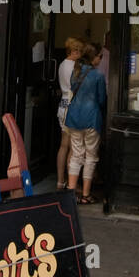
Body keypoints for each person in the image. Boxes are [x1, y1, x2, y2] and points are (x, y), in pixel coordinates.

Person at [65, 43, 107, 204]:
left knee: (76, 155)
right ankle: (86, 195)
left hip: (74, 117)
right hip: (91, 119)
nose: (101, 59)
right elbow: (102, 100)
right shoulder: (98, 76)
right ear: (93, 58)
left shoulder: (75, 72)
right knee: (90, 156)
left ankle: (70, 192)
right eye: (100, 56)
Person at [56, 37, 83, 190]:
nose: (80, 54)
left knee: (63, 146)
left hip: (63, 104)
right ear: (73, 51)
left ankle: (60, 181)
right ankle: (71, 184)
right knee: (73, 148)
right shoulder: (75, 66)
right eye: (78, 51)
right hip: (73, 105)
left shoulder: (61, 65)